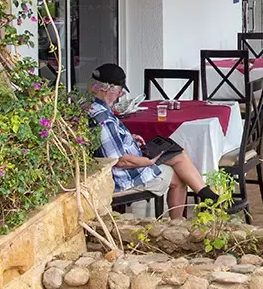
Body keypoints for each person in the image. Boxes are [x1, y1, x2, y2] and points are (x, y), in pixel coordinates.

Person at [87, 63, 224, 219]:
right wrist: (148, 162)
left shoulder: (93, 107)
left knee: (177, 153)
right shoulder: (103, 118)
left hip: (129, 161)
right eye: (120, 91)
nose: (120, 95)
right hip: (125, 176)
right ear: (108, 89)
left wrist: (129, 138)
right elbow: (120, 161)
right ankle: (179, 224)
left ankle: (206, 195)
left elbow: (110, 143)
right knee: (179, 178)